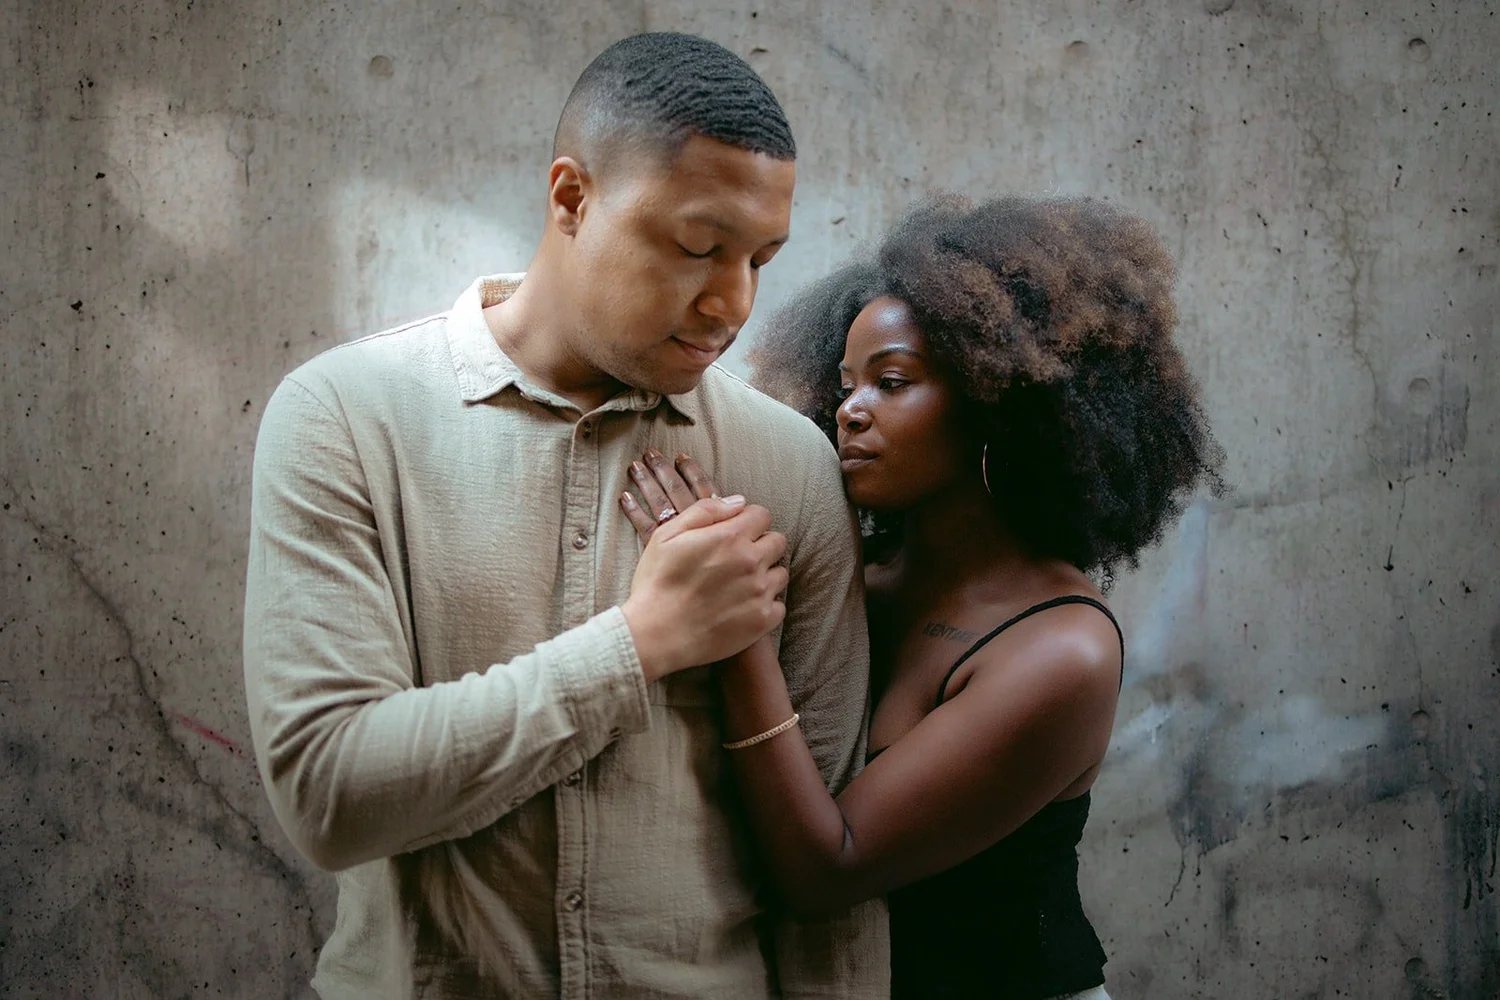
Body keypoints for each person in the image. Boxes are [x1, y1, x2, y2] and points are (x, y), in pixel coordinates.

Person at [242, 32, 888, 999]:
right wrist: (640, 646)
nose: (733, 301)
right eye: (700, 248)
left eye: (761, 258)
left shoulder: (791, 468)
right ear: (571, 199)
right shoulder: (344, 416)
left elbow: (830, 886)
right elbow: (330, 795)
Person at [620, 194, 1223, 999]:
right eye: (844, 386)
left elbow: (826, 869)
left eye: (892, 381)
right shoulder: (859, 577)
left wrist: (737, 635)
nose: (850, 411)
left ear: (996, 400)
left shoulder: (1060, 650)